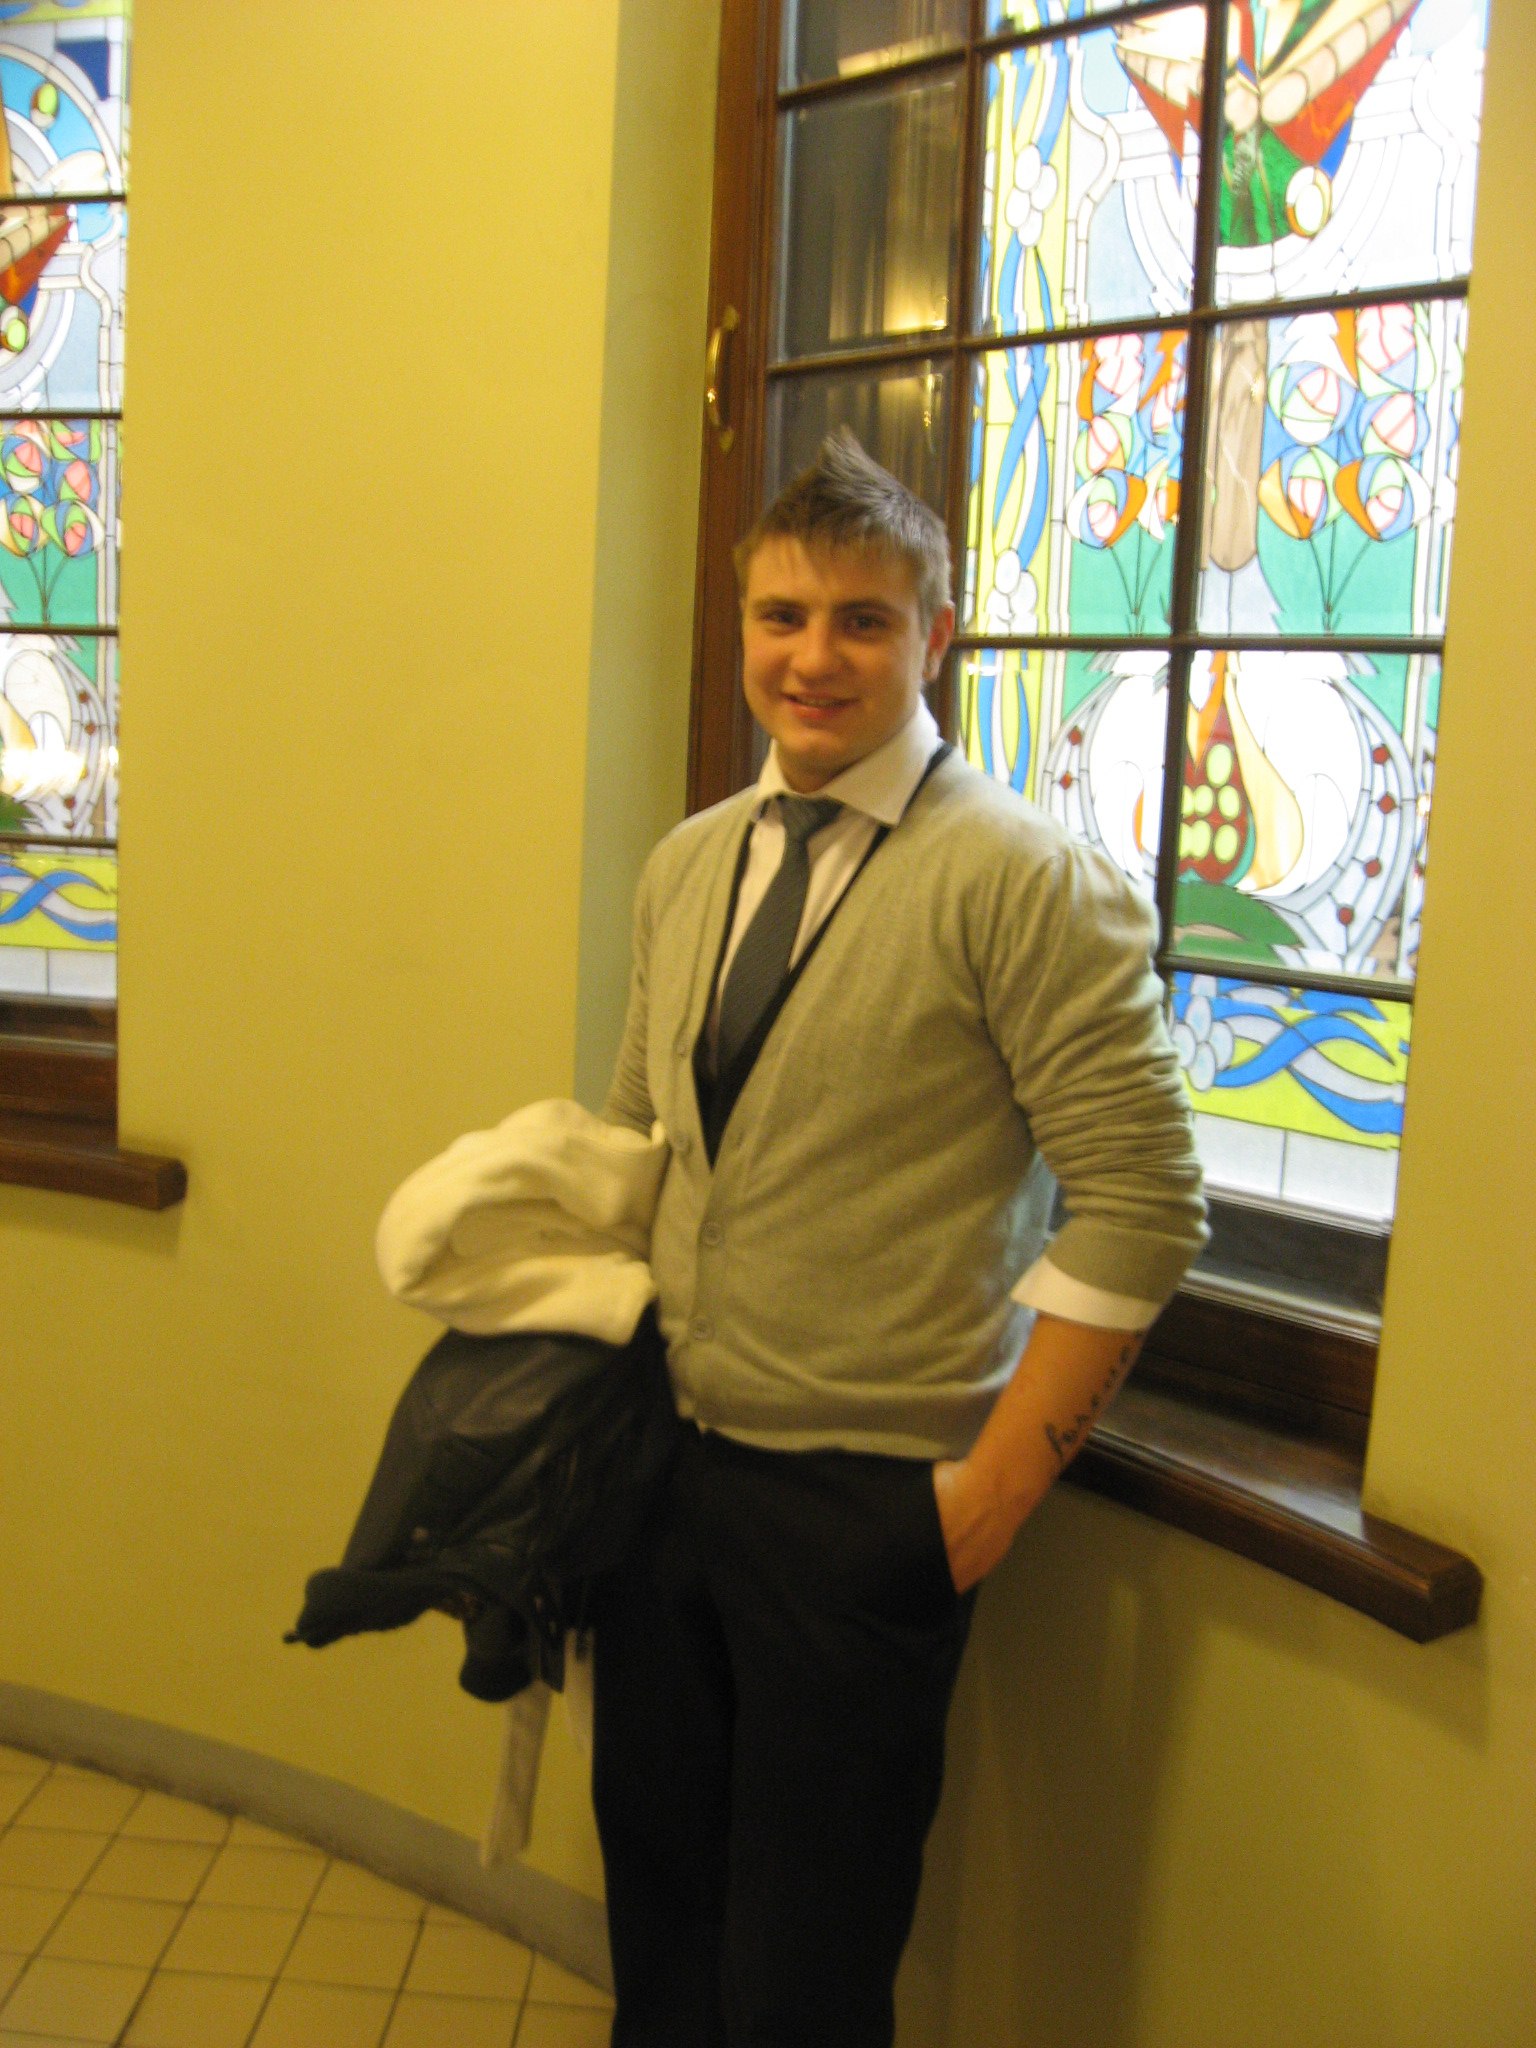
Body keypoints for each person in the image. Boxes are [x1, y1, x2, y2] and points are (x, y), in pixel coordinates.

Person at [595, 430, 1206, 2048]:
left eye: (862, 620)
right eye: (782, 616)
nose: (814, 657)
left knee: (804, 1974)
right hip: (666, 1476)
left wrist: (984, 1498)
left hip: (864, 1507)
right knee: (658, 1914)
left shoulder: (1025, 881)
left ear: (936, 635)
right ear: (743, 628)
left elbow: (1146, 1198)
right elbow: (639, 1138)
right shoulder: (686, 864)